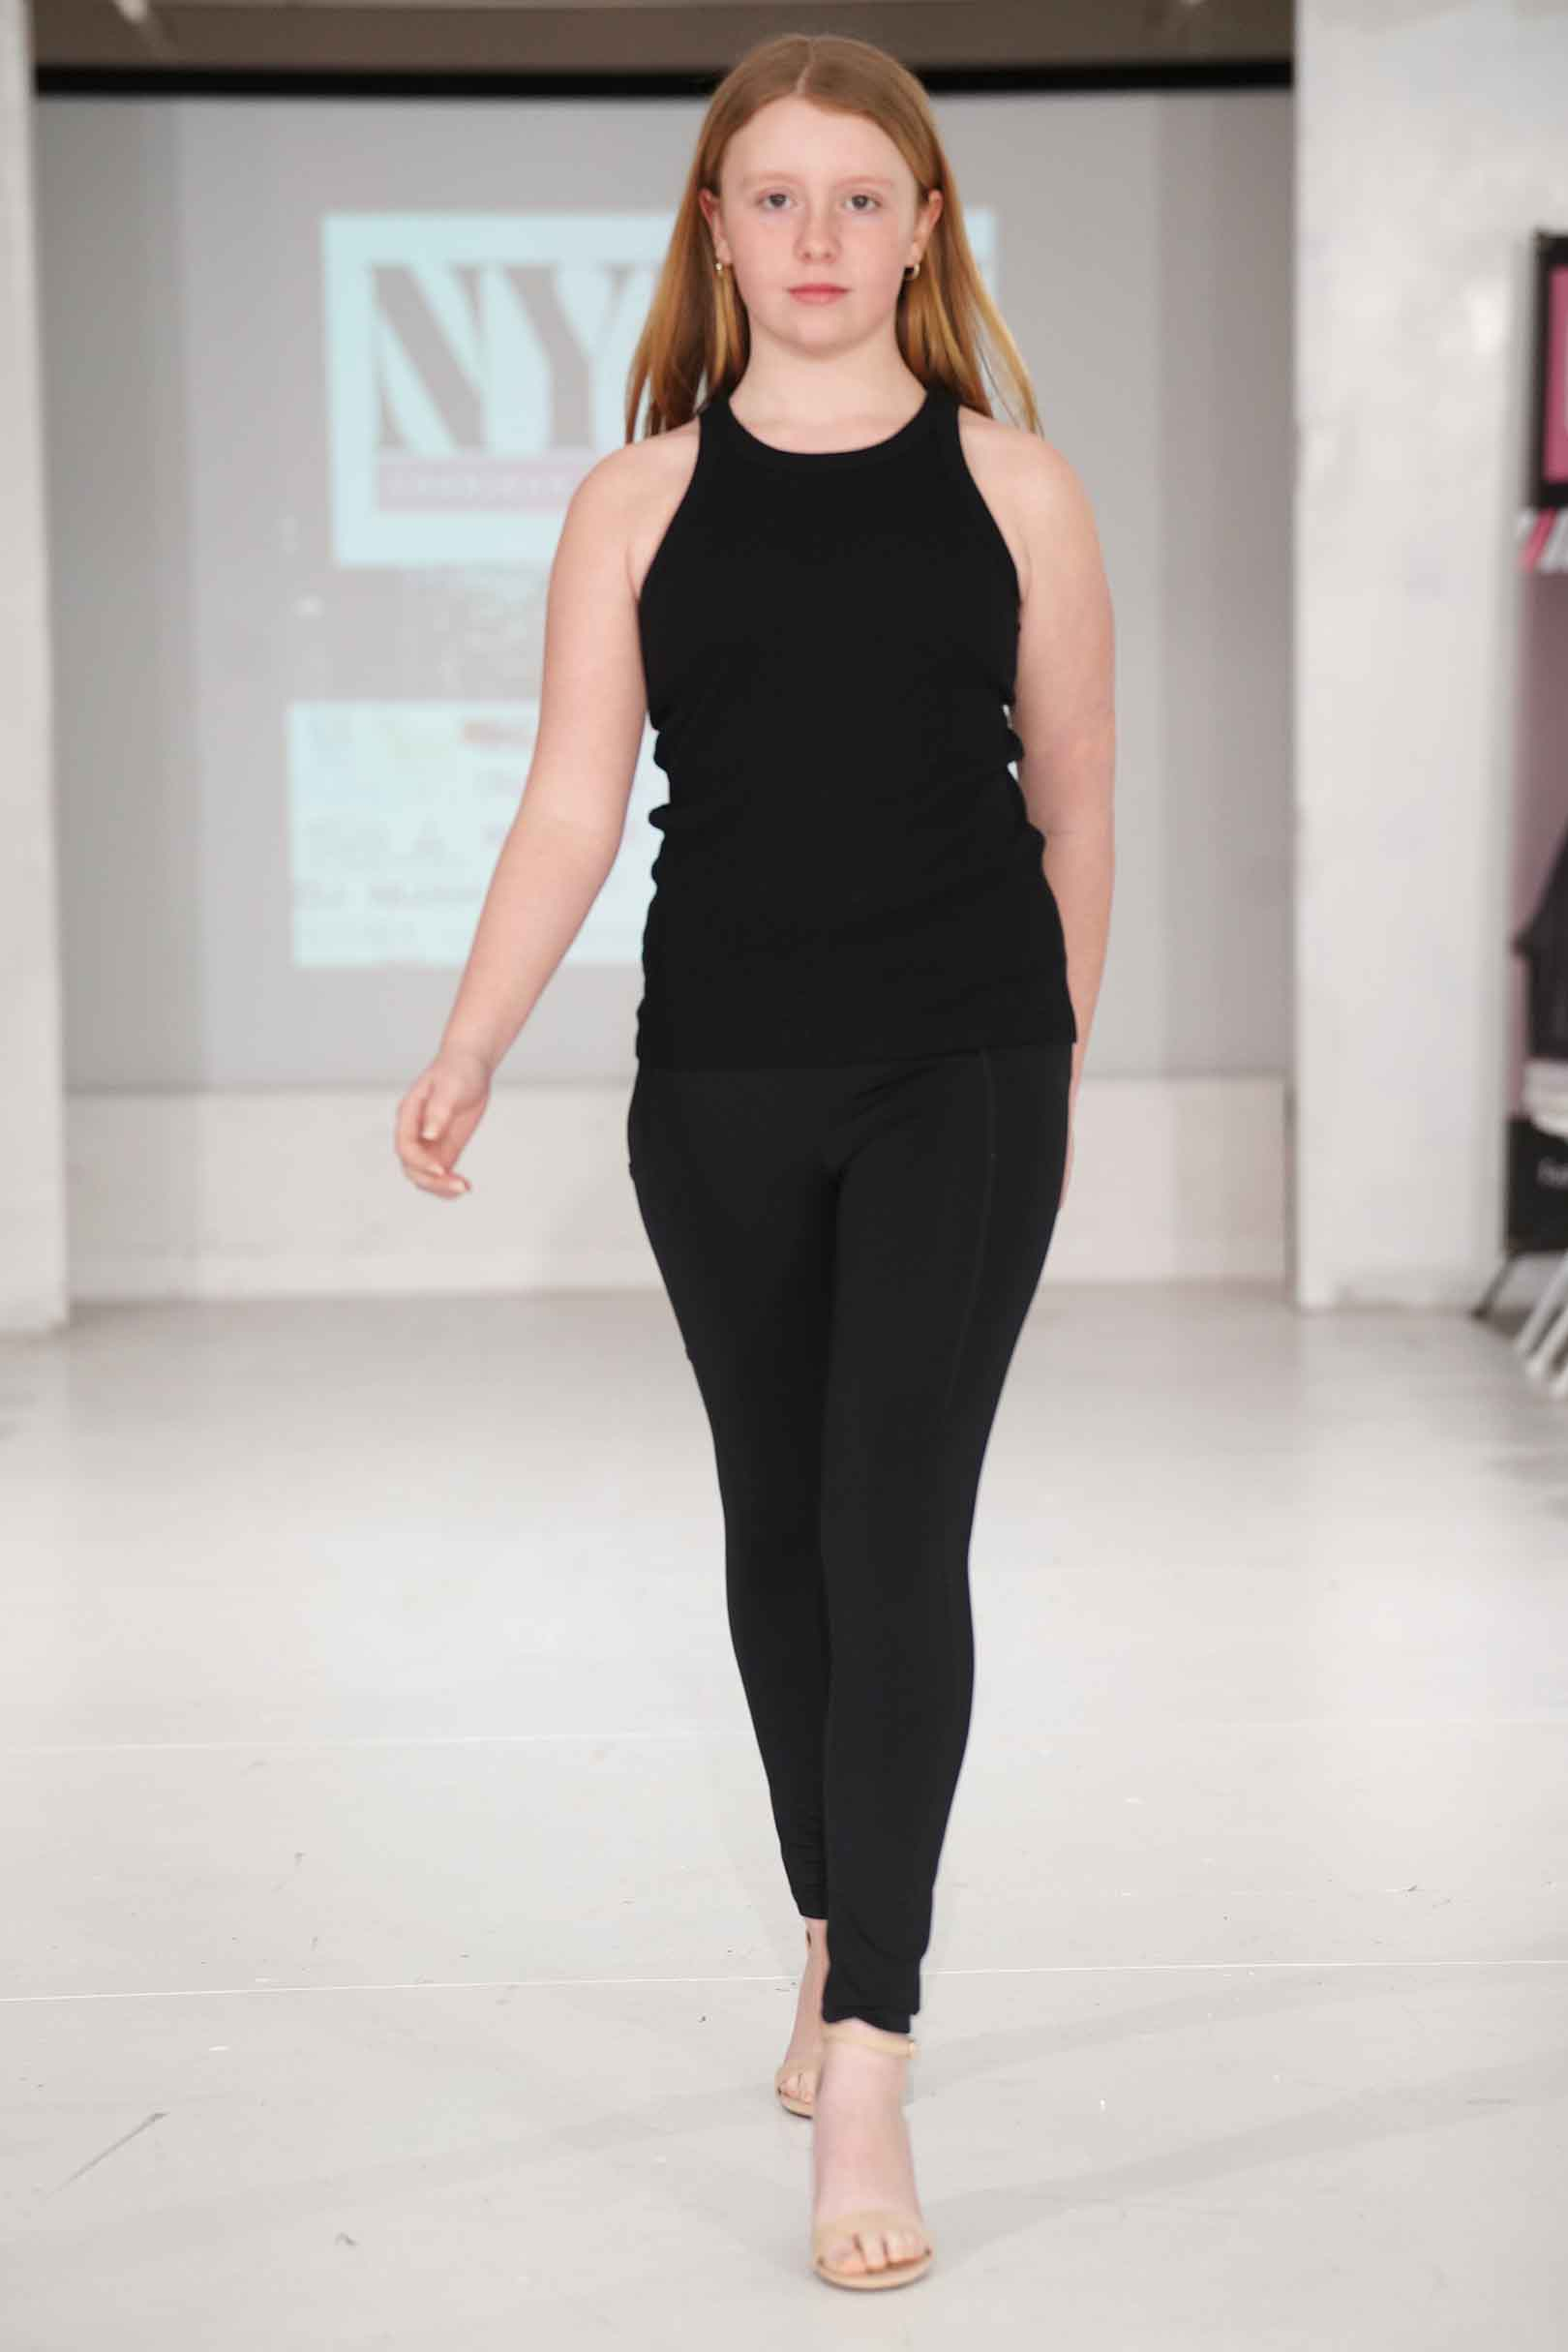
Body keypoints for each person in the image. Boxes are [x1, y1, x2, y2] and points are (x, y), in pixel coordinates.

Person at [394, 29, 1115, 2295]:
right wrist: (473, 1036)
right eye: (777, 197)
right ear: (717, 229)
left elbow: (1080, 794)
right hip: (717, 1084)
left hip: (961, 1072)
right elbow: (567, 802)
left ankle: (872, 2049)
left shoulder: (1016, 487)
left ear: (924, 229)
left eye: (860, 197)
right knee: (782, 1535)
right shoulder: (634, 503)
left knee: (897, 1531)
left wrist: (1053, 1055)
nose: (819, 237)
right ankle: (831, 1912)